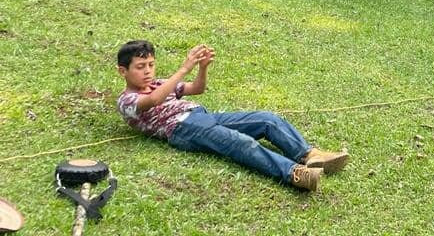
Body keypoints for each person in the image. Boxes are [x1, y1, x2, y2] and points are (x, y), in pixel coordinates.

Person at [115, 40, 348, 192]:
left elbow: (197, 89)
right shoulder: (126, 101)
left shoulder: (159, 83)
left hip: (202, 116)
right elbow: (153, 101)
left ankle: (309, 154)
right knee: (239, 142)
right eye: (140, 66)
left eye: (151, 64)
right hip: (182, 128)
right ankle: (294, 173)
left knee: (267, 119)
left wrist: (202, 68)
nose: (147, 71)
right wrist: (184, 68)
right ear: (123, 71)